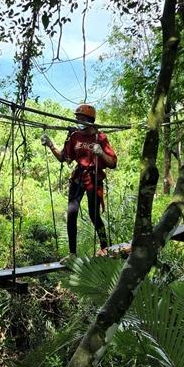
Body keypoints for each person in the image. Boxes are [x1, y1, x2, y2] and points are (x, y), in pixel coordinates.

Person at [41, 104, 117, 262]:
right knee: (72, 214)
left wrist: (101, 153)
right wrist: (51, 145)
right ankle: (72, 254)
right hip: (78, 178)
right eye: (77, 119)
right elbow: (64, 157)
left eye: (81, 119)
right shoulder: (75, 136)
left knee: (94, 215)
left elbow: (112, 163)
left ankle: (105, 248)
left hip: (94, 178)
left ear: (90, 120)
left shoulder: (100, 137)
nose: (78, 122)